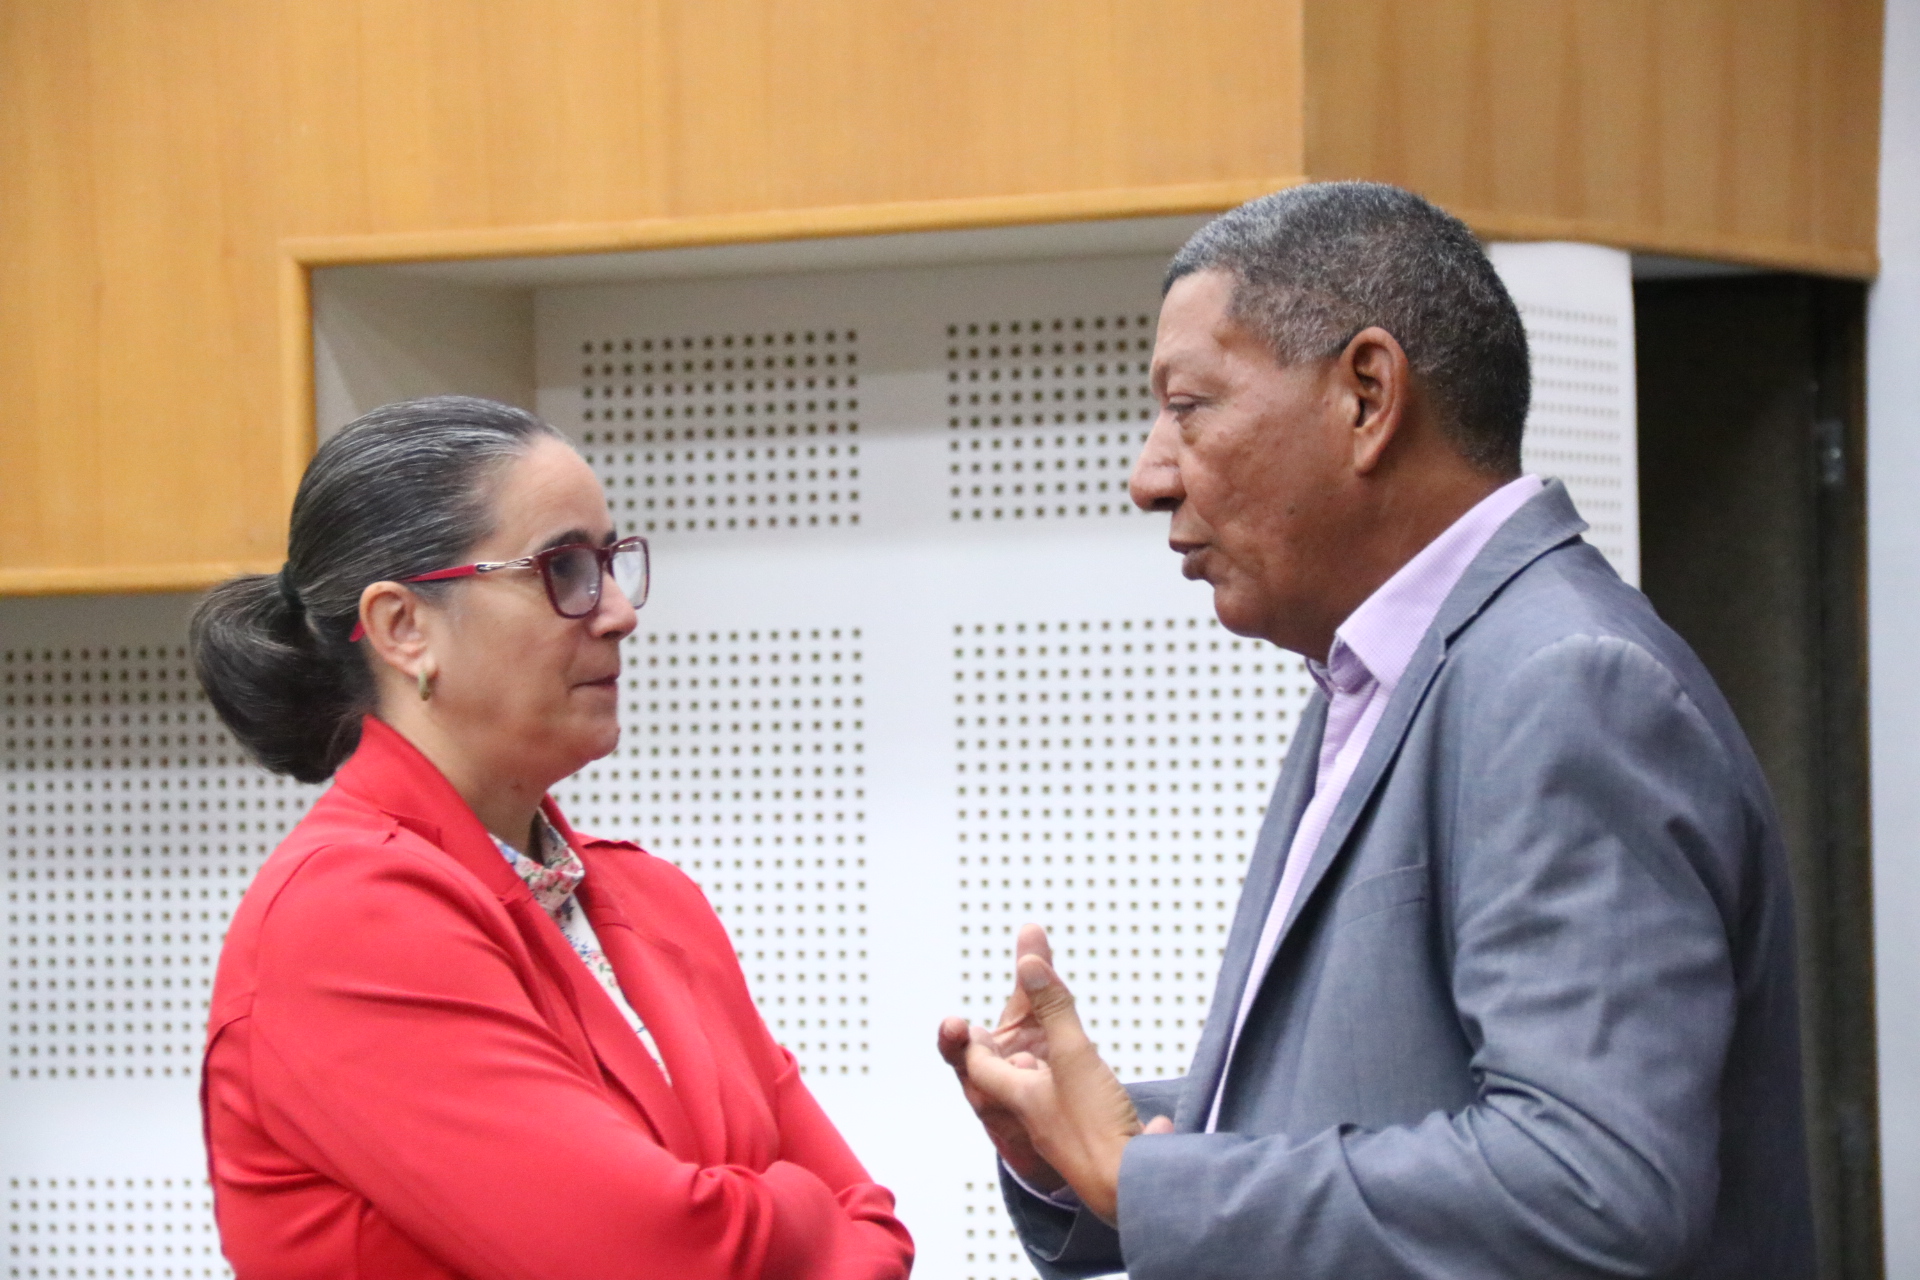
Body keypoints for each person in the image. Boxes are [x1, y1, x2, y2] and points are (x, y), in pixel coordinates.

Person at [938, 183, 1815, 1279]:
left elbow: (1589, 1185)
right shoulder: (1380, 674)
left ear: (1366, 395)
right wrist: (1086, 1146)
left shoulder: (1564, 682)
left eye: (1189, 406)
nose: (1149, 475)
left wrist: (1153, 1179)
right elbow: (1377, 1097)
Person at [193, 396, 912, 1280]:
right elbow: (658, 1260)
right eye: (564, 568)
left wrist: (744, 1217)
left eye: (609, 563)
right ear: (403, 629)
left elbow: (875, 1228)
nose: (617, 613)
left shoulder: (654, 900)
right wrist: (793, 1206)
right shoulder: (344, 919)